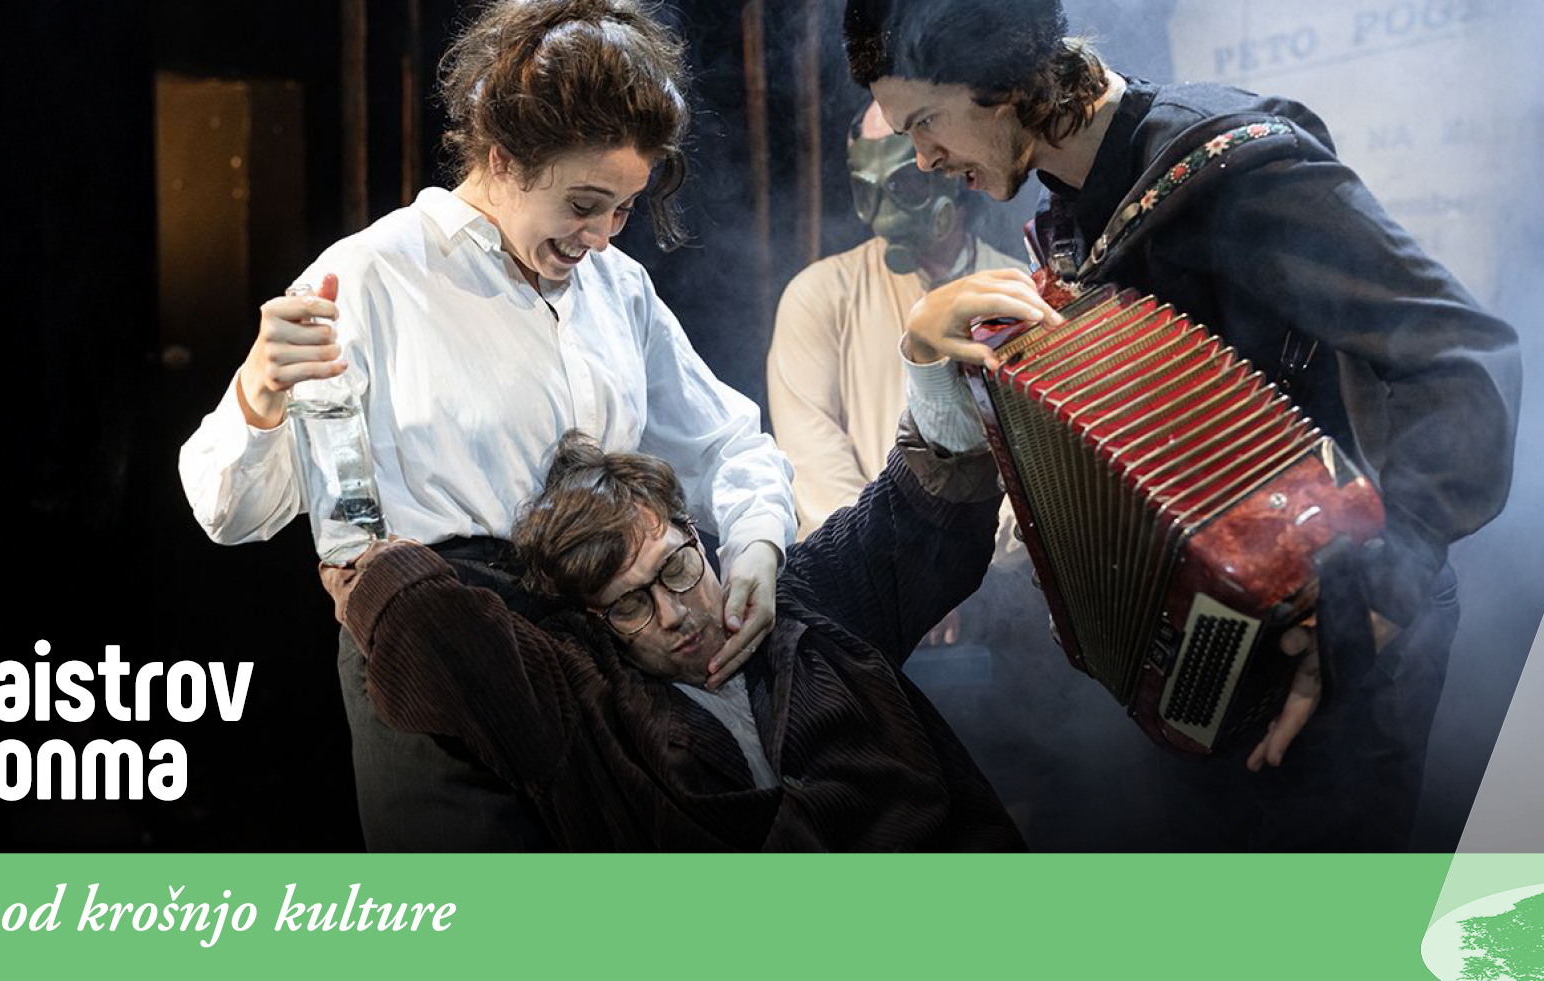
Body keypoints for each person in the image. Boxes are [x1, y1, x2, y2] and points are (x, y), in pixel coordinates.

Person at [843, 0, 1521, 851]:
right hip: (1209, 658)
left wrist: (1377, 599)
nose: (924, 158)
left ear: (1001, 78)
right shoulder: (1065, 219)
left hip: (1346, 634)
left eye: (925, 122)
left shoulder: (1231, 171)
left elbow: (1464, 356)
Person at [178, 0, 796, 852]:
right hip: (434, 667)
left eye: (624, 208)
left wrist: (761, 545)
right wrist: (260, 386)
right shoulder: (374, 275)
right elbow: (228, 510)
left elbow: (727, 441)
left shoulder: (616, 288)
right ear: (502, 158)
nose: (603, 235)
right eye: (583, 204)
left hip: (594, 672)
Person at [318, 363, 1028, 851]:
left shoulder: (805, 598)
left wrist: (930, 360)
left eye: (677, 568)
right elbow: (449, 640)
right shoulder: (598, 715)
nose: (675, 613)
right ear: (593, 621)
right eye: (631, 603)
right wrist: (371, 567)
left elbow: (920, 508)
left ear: (697, 535)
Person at [767, 102, 1022, 530]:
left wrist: (987, 552)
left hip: (1000, 558)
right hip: (875, 559)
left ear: (947, 170)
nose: (887, 213)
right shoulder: (822, 296)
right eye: (870, 192)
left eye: (906, 185)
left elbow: (1038, 460)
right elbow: (815, 468)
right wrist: (893, 555)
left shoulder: (1018, 291)